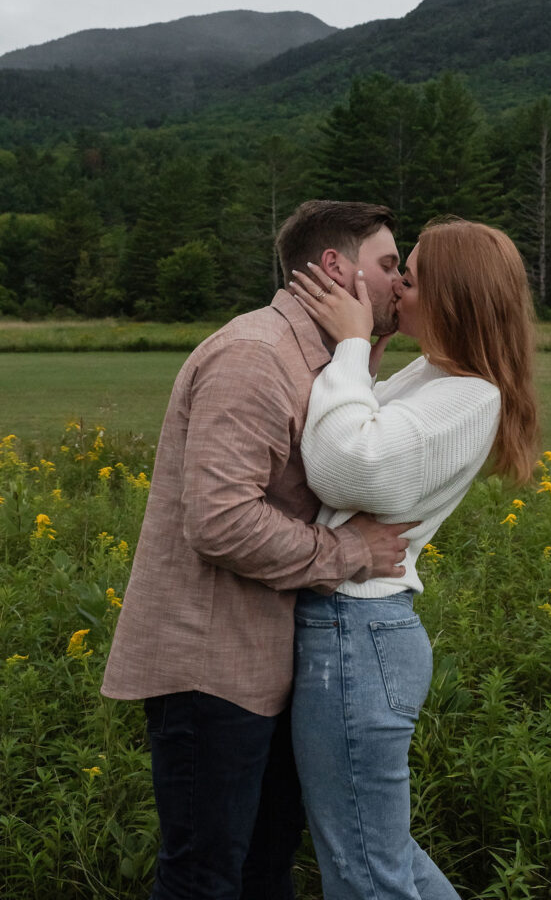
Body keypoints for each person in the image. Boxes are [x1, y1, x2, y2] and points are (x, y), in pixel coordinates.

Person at [101, 200, 419, 900]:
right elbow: (219, 520)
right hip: (210, 665)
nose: (400, 282)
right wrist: (349, 552)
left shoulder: (324, 364)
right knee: (206, 880)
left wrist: (364, 350)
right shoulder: (256, 357)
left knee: (263, 872)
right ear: (337, 268)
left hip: (267, 663)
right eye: (390, 265)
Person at [288, 216, 540, 900]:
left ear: (451, 299)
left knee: (364, 870)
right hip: (356, 635)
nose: (397, 283)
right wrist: (365, 357)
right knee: (378, 854)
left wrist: (348, 342)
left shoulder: (469, 396)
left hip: (356, 636)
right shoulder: (435, 376)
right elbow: (361, 421)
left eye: (414, 275)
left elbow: (346, 467)